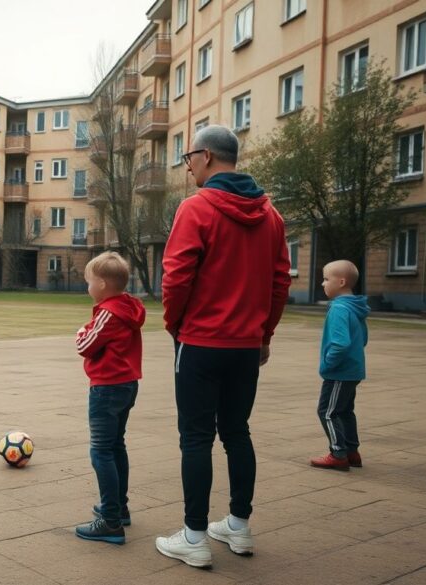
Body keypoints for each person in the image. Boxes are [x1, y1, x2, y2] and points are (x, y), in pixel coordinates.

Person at [156, 125, 292, 568]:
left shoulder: (196, 208)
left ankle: (194, 536)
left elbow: (176, 275)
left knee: (195, 437)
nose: (188, 165)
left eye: (188, 157)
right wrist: (264, 335)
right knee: (237, 432)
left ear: (207, 157)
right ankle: (238, 525)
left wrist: (175, 325)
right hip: (245, 346)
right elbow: (278, 284)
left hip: (200, 341)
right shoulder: (271, 216)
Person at [73, 252, 146, 544]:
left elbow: (86, 345)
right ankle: (119, 507)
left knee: (100, 451)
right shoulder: (129, 306)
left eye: (89, 281)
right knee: (116, 446)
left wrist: (81, 331)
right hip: (127, 384)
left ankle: (110, 521)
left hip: (107, 387)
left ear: (102, 284)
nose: (87, 286)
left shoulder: (108, 311)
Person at [310, 260, 369, 471]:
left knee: (326, 411)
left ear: (341, 281)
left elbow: (340, 343)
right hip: (354, 370)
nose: (323, 284)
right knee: (344, 410)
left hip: (339, 372)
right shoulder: (356, 307)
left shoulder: (339, 309)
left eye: (326, 279)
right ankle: (352, 452)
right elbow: (363, 338)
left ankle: (338, 454)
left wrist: (328, 364)